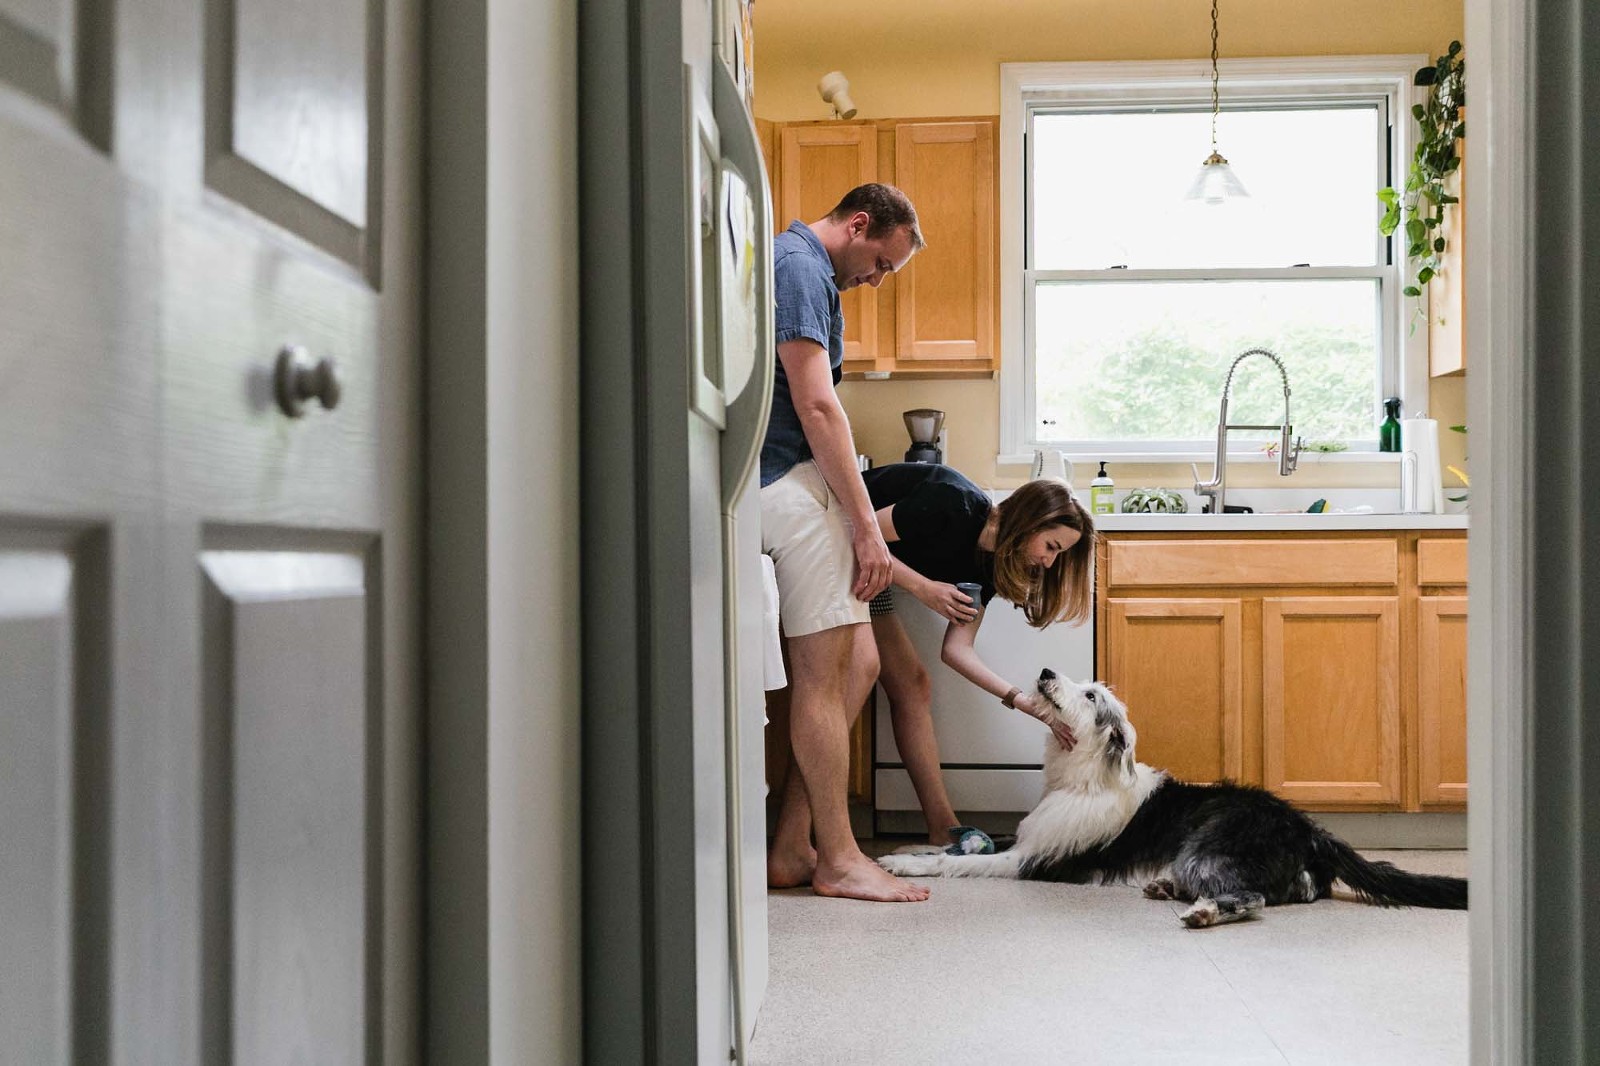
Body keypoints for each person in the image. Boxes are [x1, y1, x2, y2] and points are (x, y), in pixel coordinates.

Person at [760, 183, 929, 902]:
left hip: (788, 478)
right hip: (777, 482)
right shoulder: (798, 266)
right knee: (825, 671)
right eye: (880, 263)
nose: (875, 280)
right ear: (859, 225)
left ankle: (795, 844)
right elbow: (816, 402)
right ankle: (837, 856)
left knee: (859, 658)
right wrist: (866, 527)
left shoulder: (798, 267)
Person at [861, 463, 1096, 845]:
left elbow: (957, 650)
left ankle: (942, 828)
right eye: (1051, 547)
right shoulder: (952, 503)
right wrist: (923, 588)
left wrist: (1024, 702)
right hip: (830, 539)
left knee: (912, 685)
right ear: (1027, 521)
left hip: (869, 572)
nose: (1050, 562)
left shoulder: (988, 564)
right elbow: (856, 534)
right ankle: (806, 839)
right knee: (852, 683)